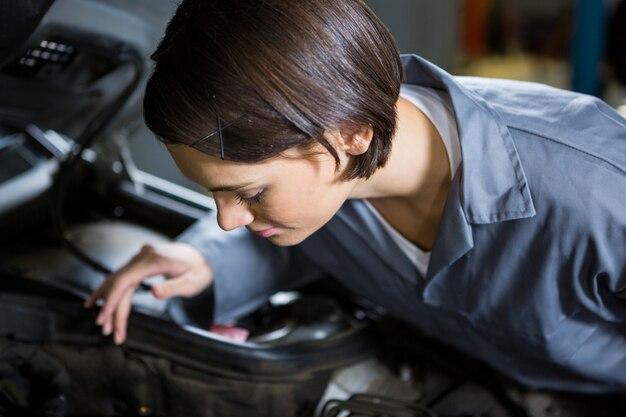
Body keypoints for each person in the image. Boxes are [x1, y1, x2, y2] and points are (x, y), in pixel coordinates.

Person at [85, 0, 626, 394]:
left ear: (351, 134)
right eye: (216, 195)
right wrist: (203, 257)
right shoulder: (328, 179)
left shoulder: (598, 193)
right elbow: (293, 242)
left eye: (248, 194)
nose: (227, 219)